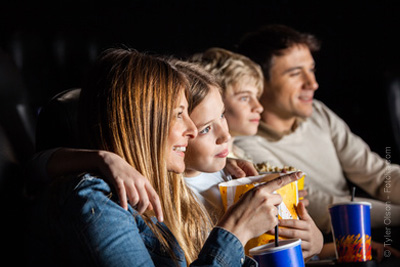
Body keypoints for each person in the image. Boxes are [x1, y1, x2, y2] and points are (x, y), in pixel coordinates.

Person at [40, 47, 301, 266]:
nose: (191, 130)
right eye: (179, 115)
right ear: (140, 124)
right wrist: (234, 232)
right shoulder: (100, 203)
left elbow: (34, 166)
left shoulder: (156, 188)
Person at [234, 24, 400, 241]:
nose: (312, 83)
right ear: (258, 83)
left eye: (311, 70)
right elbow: (322, 209)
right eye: (295, 74)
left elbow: (378, 175)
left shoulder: (318, 114)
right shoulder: (244, 145)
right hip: (330, 241)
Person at [175, 53, 322, 260]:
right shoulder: (171, 198)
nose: (225, 135)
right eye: (206, 129)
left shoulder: (232, 174)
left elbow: (274, 244)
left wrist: (314, 242)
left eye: (222, 116)